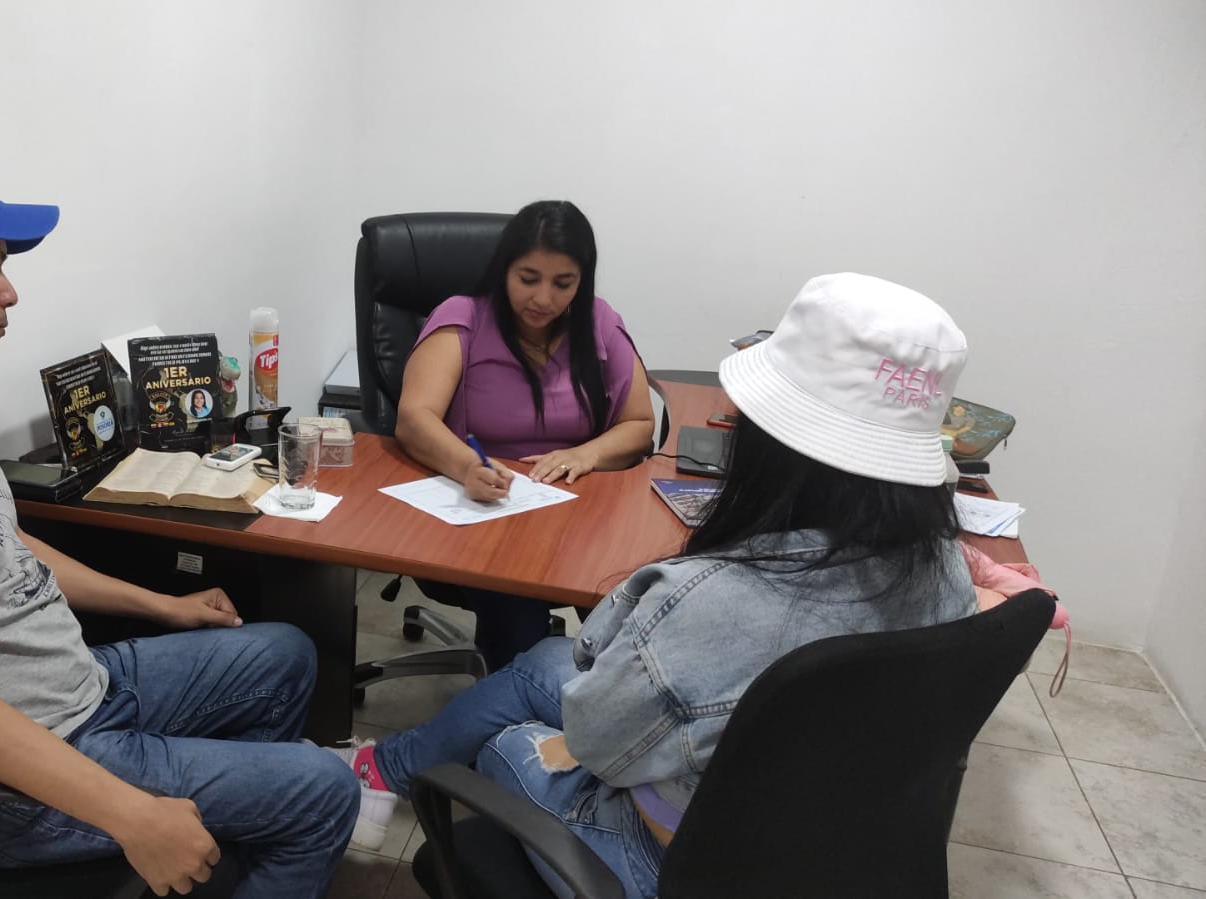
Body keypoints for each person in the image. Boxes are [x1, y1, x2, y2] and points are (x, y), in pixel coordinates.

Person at [0, 161, 374, 898]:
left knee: (285, 654)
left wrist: (164, 606)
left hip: (77, 688)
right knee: (324, 792)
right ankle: (220, 826)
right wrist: (133, 813)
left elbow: (5, 544)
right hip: (0, 789)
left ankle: (218, 846)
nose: (10, 292)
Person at [332, 273, 978, 897]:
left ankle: (378, 775)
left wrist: (644, 612)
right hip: (837, 845)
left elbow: (597, 743)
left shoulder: (709, 596)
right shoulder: (947, 574)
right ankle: (385, 766)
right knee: (543, 663)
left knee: (505, 739)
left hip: (666, 863)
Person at [394, 200, 656, 670]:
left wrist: (587, 453)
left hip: (575, 515)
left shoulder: (598, 322)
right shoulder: (464, 318)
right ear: (504, 270)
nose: (544, 299)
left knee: (629, 615)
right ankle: (518, 703)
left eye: (563, 283)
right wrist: (467, 466)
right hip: (485, 511)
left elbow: (639, 424)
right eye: (528, 278)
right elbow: (415, 418)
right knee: (517, 621)